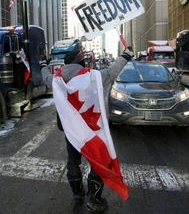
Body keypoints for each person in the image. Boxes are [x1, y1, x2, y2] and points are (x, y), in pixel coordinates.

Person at [40, 47, 134, 212]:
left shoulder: (56, 80)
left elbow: (45, 76)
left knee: (73, 161)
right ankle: (94, 199)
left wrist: (42, 64)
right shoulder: (91, 76)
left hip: (71, 132)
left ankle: (78, 195)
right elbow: (112, 72)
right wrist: (125, 56)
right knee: (97, 162)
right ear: (80, 62)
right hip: (92, 131)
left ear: (66, 63)